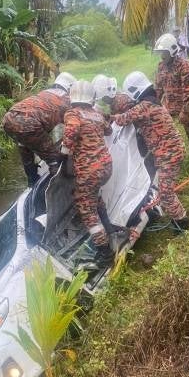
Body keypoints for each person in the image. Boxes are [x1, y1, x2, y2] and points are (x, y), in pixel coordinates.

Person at [111, 71, 189, 231]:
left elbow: (122, 120)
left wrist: (106, 116)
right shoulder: (152, 101)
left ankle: (183, 222)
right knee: (164, 189)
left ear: (135, 91)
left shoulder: (144, 106)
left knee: (165, 192)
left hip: (169, 155)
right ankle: (178, 216)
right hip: (170, 152)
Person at [61, 80, 114, 266]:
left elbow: (72, 130)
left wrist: (64, 154)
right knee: (94, 195)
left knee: (86, 209)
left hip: (88, 169)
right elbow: (108, 131)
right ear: (91, 97)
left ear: (71, 96)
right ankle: (108, 227)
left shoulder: (72, 113)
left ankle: (105, 252)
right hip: (106, 166)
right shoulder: (97, 113)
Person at [1, 72, 75, 186]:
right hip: (29, 124)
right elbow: (75, 123)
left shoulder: (45, 93)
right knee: (54, 157)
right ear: (70, 88)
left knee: (25, 149)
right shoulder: (65, 100)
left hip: (8, 119)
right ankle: (57, 186)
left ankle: (32, 181)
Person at [152, 34, 189, 152]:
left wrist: (185, 112)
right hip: (169, 106)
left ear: (171, 51)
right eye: (160, 52)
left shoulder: (185, 66)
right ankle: (174, 153)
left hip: (187, 106)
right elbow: (158, 89)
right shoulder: (161, 67)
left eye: (164, 52)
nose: (161, 55)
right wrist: (154, 105)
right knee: (166, 132)